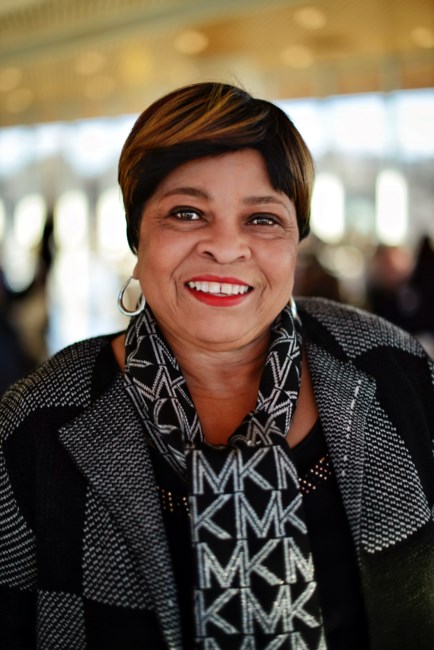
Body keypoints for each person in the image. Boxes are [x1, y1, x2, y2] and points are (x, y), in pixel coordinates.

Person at [0, 83, 433, 650]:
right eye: (186, 213)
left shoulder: (394, 369)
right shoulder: (35, 425)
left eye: (263, 219)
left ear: (296, 241)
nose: (226, 247)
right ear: (137, 234)